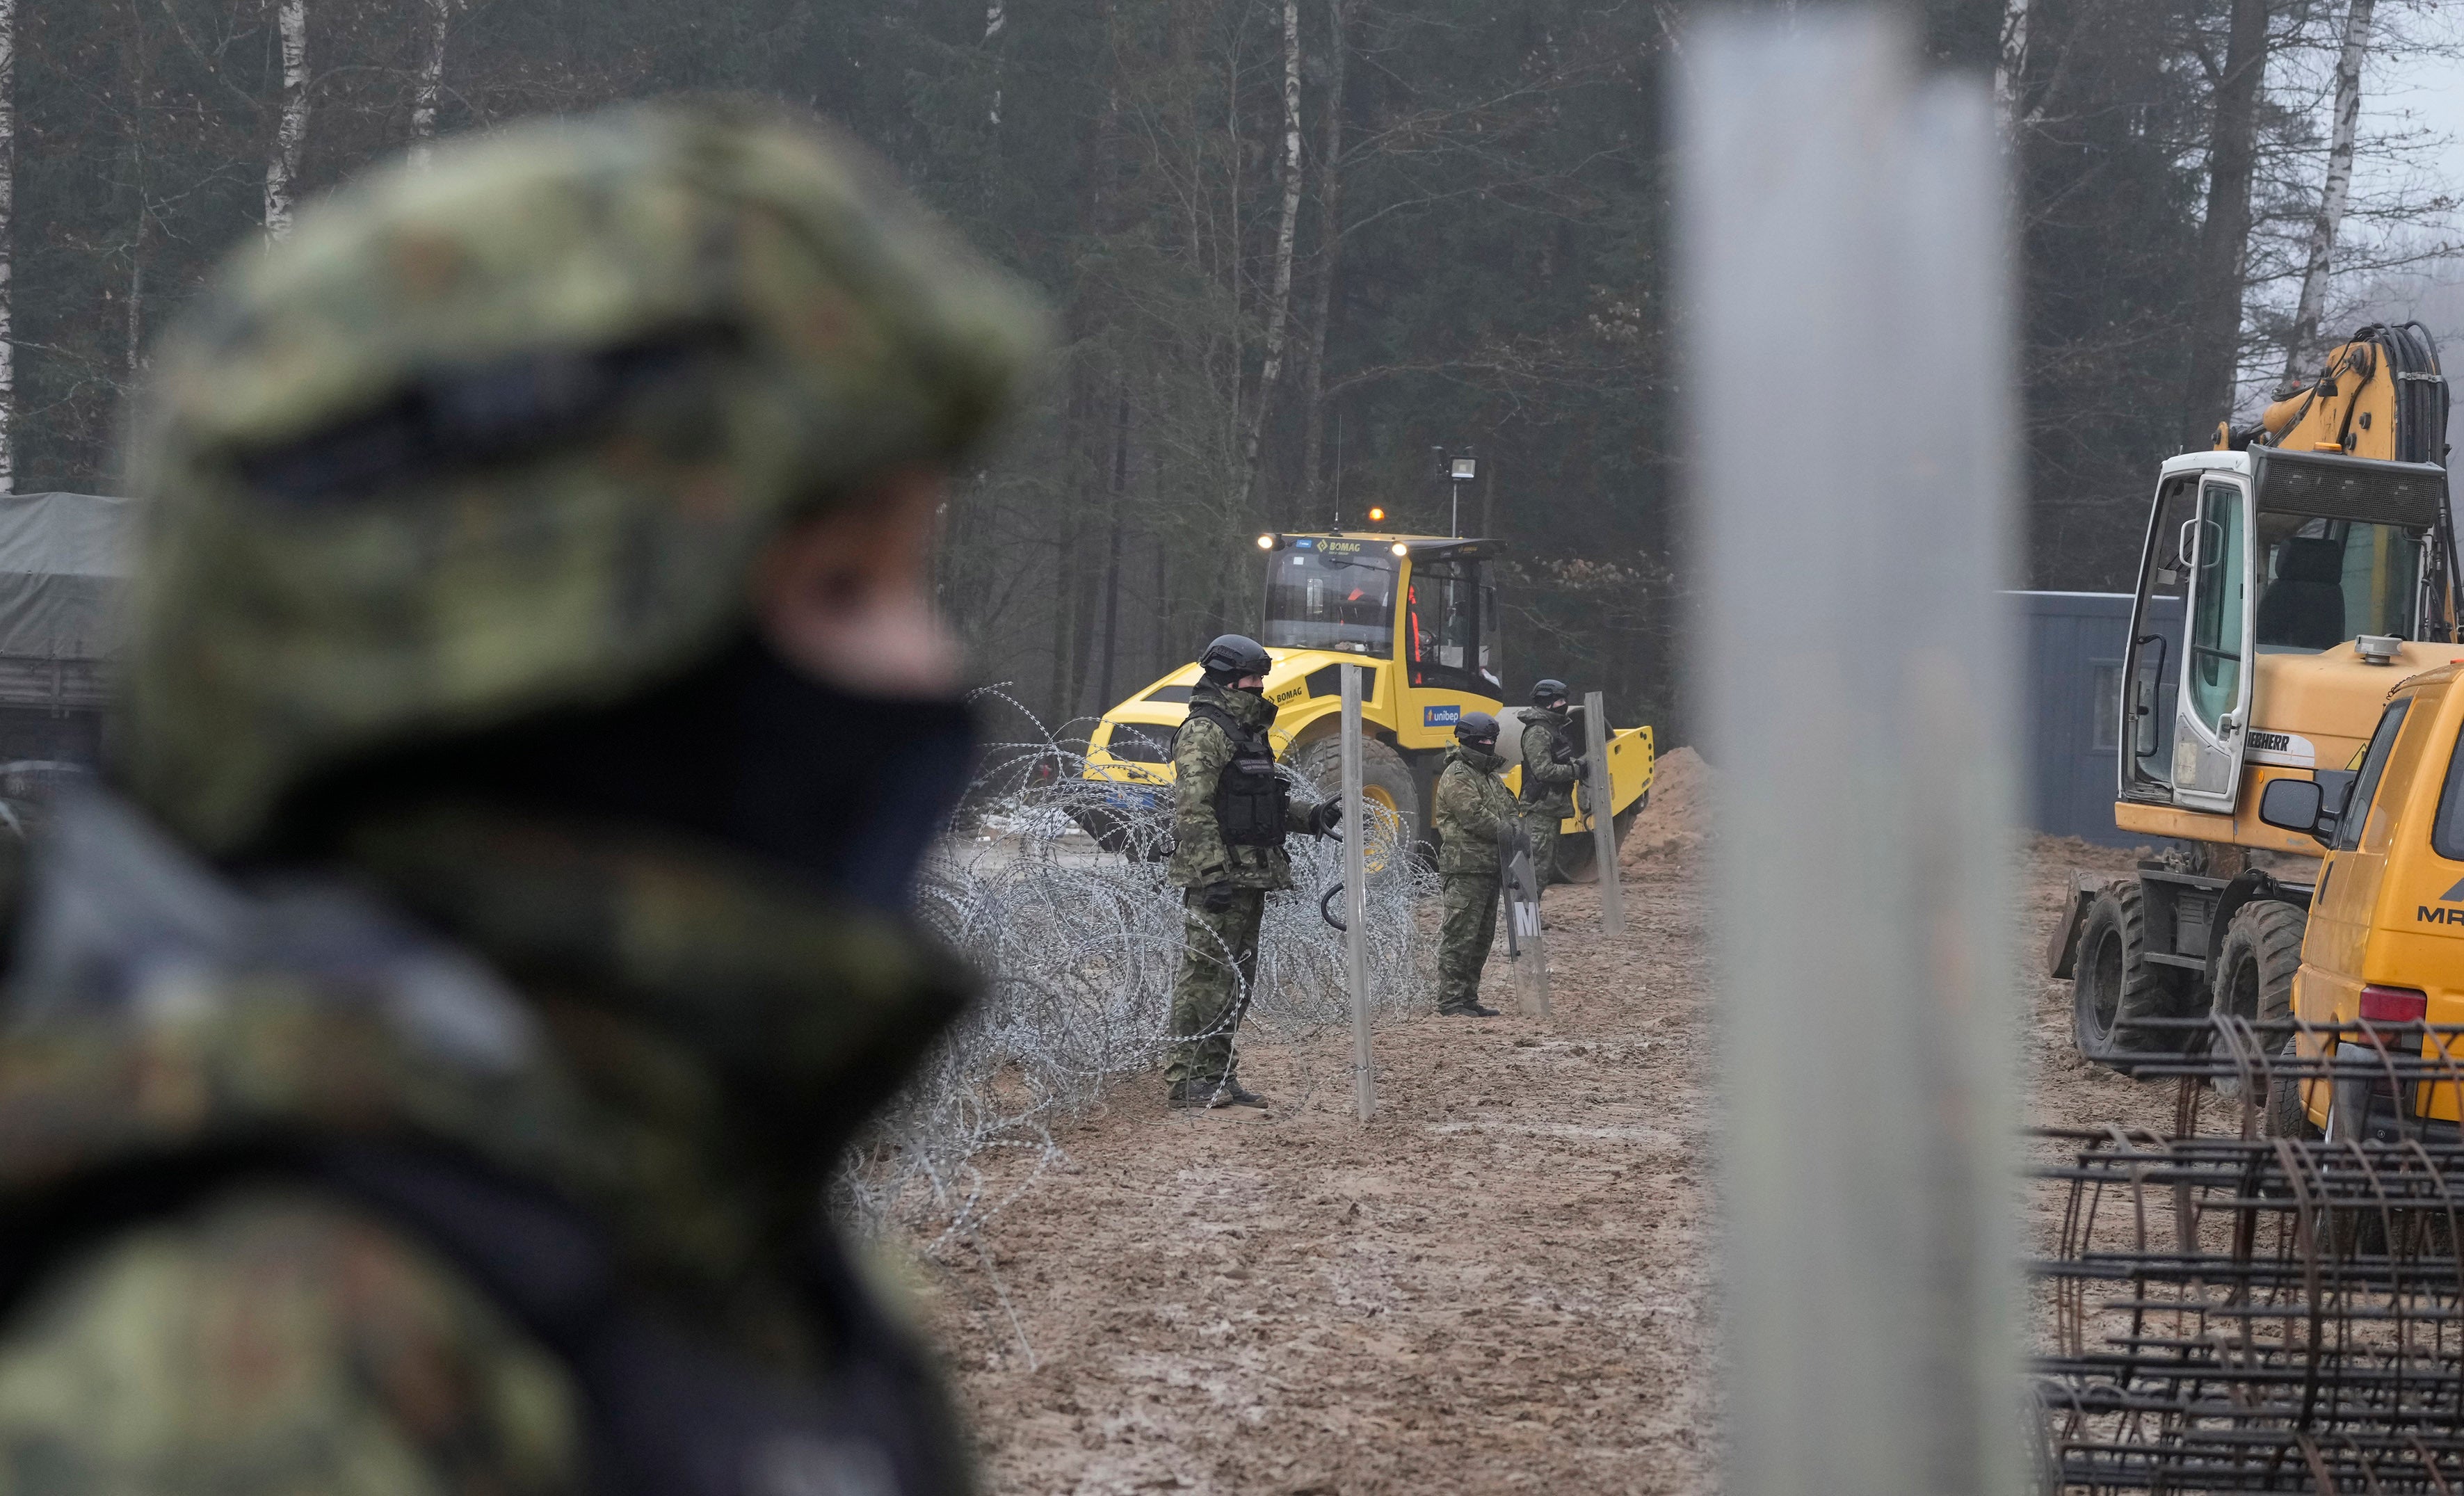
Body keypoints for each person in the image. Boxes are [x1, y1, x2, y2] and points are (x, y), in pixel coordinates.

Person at [0, 102, 1043, 1493]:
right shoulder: (243, 1376)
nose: (928, 667)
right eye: (837, 587)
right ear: (533, 666)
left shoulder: (688, 1225)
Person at [1165, 634, 1342, 1108]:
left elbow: (1257, 805)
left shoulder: (1247, 732)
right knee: (1203, 978)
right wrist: (1211, 873)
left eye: (1261, 676)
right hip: (1217, 880)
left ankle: (1218, 1074)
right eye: (1251, 677)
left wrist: (1310, 816)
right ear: (1226, 678)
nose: (1259, 685)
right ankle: (1185, 1081)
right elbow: (1194, 810)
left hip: (1251, 876)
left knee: (1236, 983)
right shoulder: (1205, 731)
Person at [1433, 711, 1518, 1018]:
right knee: (1460, 936)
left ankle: (1469, 998)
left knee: (1481, 939)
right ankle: (1451, 1001)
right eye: (1483, 740)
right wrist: (1508, 832)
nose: (1489, 744)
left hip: (1490, 867)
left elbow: (1509, 810)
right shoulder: (1458, 775)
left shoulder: (1490, 777)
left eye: (1492, 740)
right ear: (1468, 740)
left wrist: (1516, 830)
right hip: (1465, 868)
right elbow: (1473, 816)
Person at [1518, 678, 1586, 888]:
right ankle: (1527, 919)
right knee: (1535, 869)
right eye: (1559, 701)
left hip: (1551, 808)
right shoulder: (1538, 732)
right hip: (1540, 809)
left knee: (1544, 869)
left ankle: (1533, 918)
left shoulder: (1552, 729)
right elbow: (1543, 770)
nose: (1563, 705)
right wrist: (1576, 771)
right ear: (1547, 702)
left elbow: (1558, 760)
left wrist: (1576, 766)